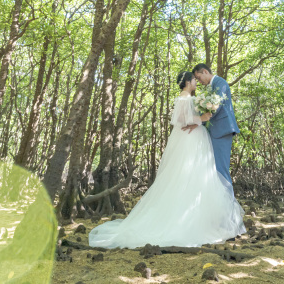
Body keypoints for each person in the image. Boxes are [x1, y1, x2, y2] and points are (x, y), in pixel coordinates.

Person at [88, 72, 245, 249]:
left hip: (196, 138)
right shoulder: (184, 97)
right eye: (194, 80)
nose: (196, 82)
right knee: (186, 176)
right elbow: (179, 120)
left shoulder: (191, 97)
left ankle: (202, 218)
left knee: (199, 177)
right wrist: (200, 119)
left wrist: (200, 119)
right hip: (189, 140)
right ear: (188, 82)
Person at [191, 63, 240, 197]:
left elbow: (215, 107)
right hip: (216, 131)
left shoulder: (220, 83)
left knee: (221, 170)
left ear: (205, 72)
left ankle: (229, 205)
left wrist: (199, 119)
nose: (199, 81)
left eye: (198, 77)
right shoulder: (213, 86)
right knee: (216, 169)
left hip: (222, 130)